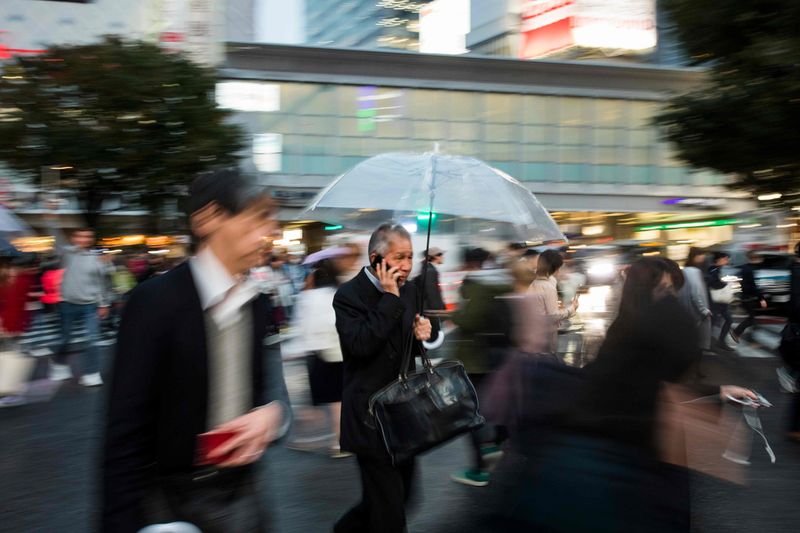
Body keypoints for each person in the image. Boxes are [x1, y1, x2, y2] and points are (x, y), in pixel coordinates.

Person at [490, 257, 758, 531]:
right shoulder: (635, 341)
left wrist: (718, 391)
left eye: (672, 289)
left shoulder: (636, 353)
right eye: (663, 289)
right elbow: (648, 387)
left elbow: (649, 386)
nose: (671, 298)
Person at [102, 169, 291, 533]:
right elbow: (123, 435)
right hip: (169, 503)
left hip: (244, 496)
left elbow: (270, 391)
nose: (267, 234)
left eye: (268, 222)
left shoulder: (256, 304)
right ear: (207, 219)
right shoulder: (154, 303)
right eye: (254, 220)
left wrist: (273, 415)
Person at [333, 223, 435, 533]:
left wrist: (425, 335)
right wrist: (390, 299)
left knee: (403, 496)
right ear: (377, 258)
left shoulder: (412, 289)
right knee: (390, 512)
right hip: (370, 419)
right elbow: (361, 346)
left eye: (411, 257)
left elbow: (411, 346)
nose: (406, 265)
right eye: (400, 257)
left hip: (404, 415)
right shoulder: (349, 295)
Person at [291, 258, 348, 458]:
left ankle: (315, 437)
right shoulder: (338, 293)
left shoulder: (309, 298)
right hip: (339, 352)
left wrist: (297, 349)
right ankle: (337, 440)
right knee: (337, 399)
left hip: (319, 353)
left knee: (325, 398)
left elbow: (304, 327)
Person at [48, 227, 111, 387]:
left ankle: (91, 374)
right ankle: (60, 365)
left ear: (91, 239)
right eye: (80, 236)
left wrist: (104, 304)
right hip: (67, 304)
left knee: (92, 340)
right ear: (74, 238)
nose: (84, 239)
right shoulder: (67, 254)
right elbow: (56, 237)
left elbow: (103, 283)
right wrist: (52, 217)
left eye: (87, 236)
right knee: (65, 339)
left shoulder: (97, 258)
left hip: (90, 305)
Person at [528, 249, 578, 352]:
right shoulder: (547, 287)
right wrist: (572, 308)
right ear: (554, 268)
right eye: (559, 268)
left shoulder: (534, 283)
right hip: (546, 335)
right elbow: (553, 315)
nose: (559, 271)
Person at [678, 247, 712, 352]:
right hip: (696, 313)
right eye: (701, 256)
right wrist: (704, 310)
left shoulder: (685, 271)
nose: (703, 259)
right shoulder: (695, 272)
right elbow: (696, 293)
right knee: (697, 344)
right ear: (695, 257)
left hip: (688, 311)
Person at [731, 250, 768, 343]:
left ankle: (744, 335)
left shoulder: (745, 268)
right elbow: (753, 286)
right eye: (759, 258)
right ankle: (737, 332)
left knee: (752, 318)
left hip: (745, 296)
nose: (760, 260)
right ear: (755, 259)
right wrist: (761, 298)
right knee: (751, 319)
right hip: (748, 298)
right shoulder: (749, 269)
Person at [707, 251, 734, 352]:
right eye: (725, 259)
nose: (727, 261)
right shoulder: (713, 270)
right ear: (719, 260)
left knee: (728, 320)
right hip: (715, 301)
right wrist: (725, 283)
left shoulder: (718, 269)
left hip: (721, 301)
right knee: (713, 323)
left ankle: (720, 342)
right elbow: (713, 284)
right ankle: (710, 344)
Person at [414, 246, 446, 313]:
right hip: (431, 311)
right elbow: (432, 294)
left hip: (426, 309)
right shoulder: (430, 271)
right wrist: (440, 311)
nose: (443, 257)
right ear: (435, 257)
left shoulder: (426, 269)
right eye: (441, 255)